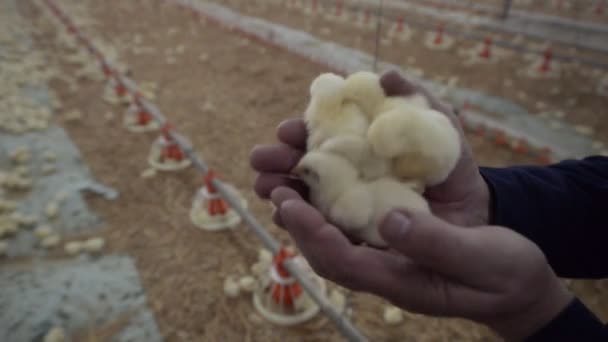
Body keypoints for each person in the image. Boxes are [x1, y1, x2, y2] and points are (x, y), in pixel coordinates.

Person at [249, 71, 608, 341]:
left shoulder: (351, 180)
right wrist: (493, 202)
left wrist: (540, 313)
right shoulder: (350, 149)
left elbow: (363, 186)